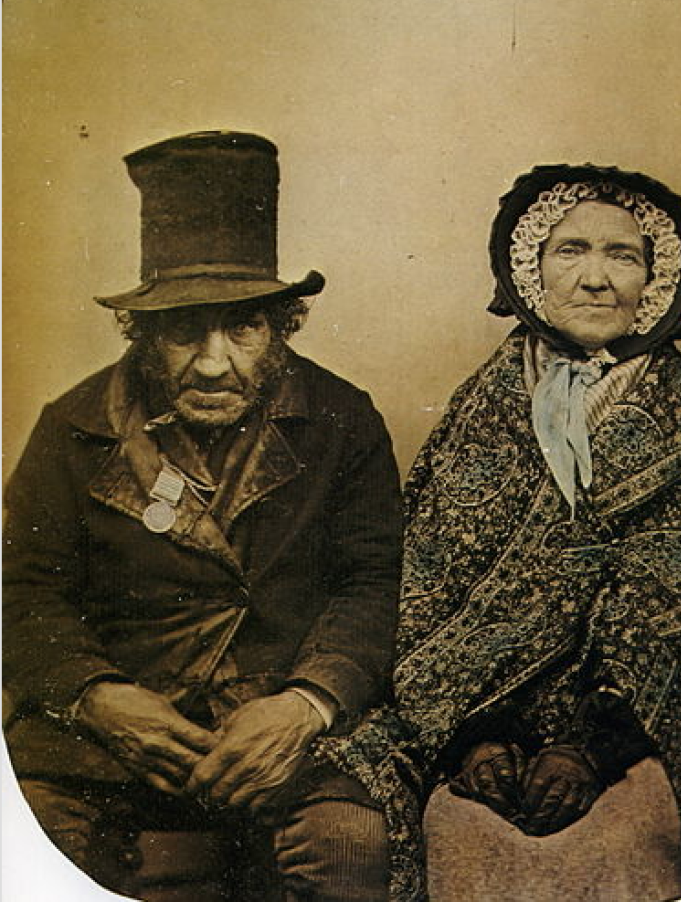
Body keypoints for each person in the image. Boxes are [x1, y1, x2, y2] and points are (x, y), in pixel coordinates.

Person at [320, 164, 681, 901]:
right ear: (531, 269)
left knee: (622, 841)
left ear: (656, 280)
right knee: (460, 834)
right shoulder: (484, 404)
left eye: (623, 255)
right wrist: (475, 741)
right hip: (480, 730)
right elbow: (429, 593)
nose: (596, 279)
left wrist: (591, 750)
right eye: (571, 250)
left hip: (640, 737)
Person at [3, 130, 403, 902]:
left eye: (243, 327)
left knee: (349, 846)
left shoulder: (342, 420)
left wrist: (307, 704)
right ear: (144, 333)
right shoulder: (72, 427)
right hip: (109, 744)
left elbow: (373, 582)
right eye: (186, 330)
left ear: (279, 327)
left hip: (285, 733)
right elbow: (24, 596)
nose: (214, 362)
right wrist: (97, 696)